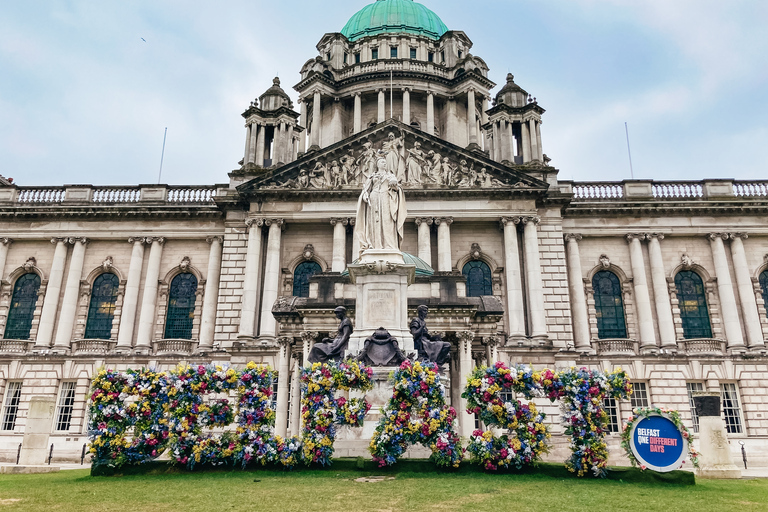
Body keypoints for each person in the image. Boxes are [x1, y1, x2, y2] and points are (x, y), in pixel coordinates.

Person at [354, 156, 407, 253]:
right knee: (374, 222)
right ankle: (374, 244)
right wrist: (365, 196)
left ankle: (389, 245)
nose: (384, 163)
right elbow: (366, 190)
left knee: (387, 221)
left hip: (386, 198)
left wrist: (395, 185)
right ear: (377, 164)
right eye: (382, 162)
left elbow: (397, 188)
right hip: (374, 199)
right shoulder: (372, 176)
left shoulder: (391, 176)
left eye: (385, 162)